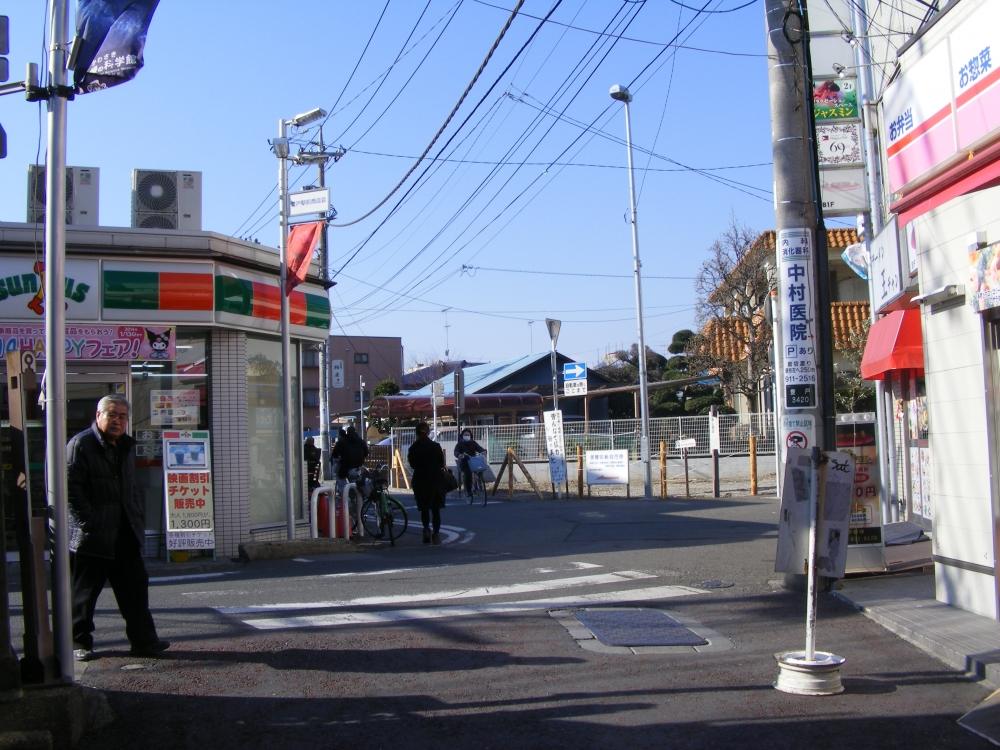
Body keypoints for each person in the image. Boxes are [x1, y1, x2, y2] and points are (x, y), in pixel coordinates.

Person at [67, 394, 169, 661]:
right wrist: (90, 523)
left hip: (125, 532)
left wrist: (137, 517)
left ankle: (144, 642)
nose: (117, 421)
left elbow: (132, 489)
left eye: (122, 416)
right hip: (93, 536)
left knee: (135, 591)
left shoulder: (125, 446)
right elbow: (70, 490)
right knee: (84, 596)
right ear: (98, 416)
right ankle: (78, 643)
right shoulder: (81, 444)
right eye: (111, 414)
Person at [407, 421, 446, 545]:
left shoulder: (413, 448)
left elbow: (412, 465)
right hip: (436, 480)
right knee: (436, 509)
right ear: (428, 432)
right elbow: (441, 463)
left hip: (421, 480)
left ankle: (426, 530)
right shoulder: (435, 446)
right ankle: (436, 534)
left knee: (424, 508)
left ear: (416, 433)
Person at [454, 428, 487, 498]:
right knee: (467, 474)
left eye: (468, 434)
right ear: (462, 436)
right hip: (464, 462)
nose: (467, 436)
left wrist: (483, 451)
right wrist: (459, 455)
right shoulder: (460, 444)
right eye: (465, 434)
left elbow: (479, 448)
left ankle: (478, 485)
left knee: (480, 470)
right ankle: (468, 491)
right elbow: (456, 452)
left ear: (470, 435)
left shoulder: (473, 443)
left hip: (473, 461)